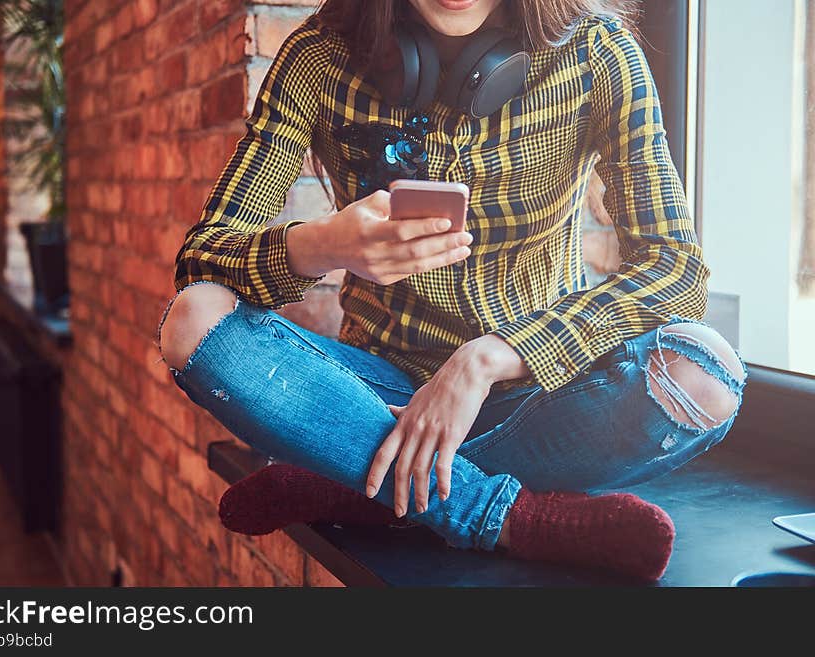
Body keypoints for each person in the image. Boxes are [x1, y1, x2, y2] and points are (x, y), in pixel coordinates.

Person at [156, 0, 748, 582]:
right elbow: (203, 259)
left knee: (706, 376)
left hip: (534, 394)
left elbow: (674, 265)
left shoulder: (599, 54)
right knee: (193, 318)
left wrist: (489, 357)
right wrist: (322, 246)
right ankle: (500, 515)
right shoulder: (317, 58)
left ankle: (359, 480)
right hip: (380, 391)